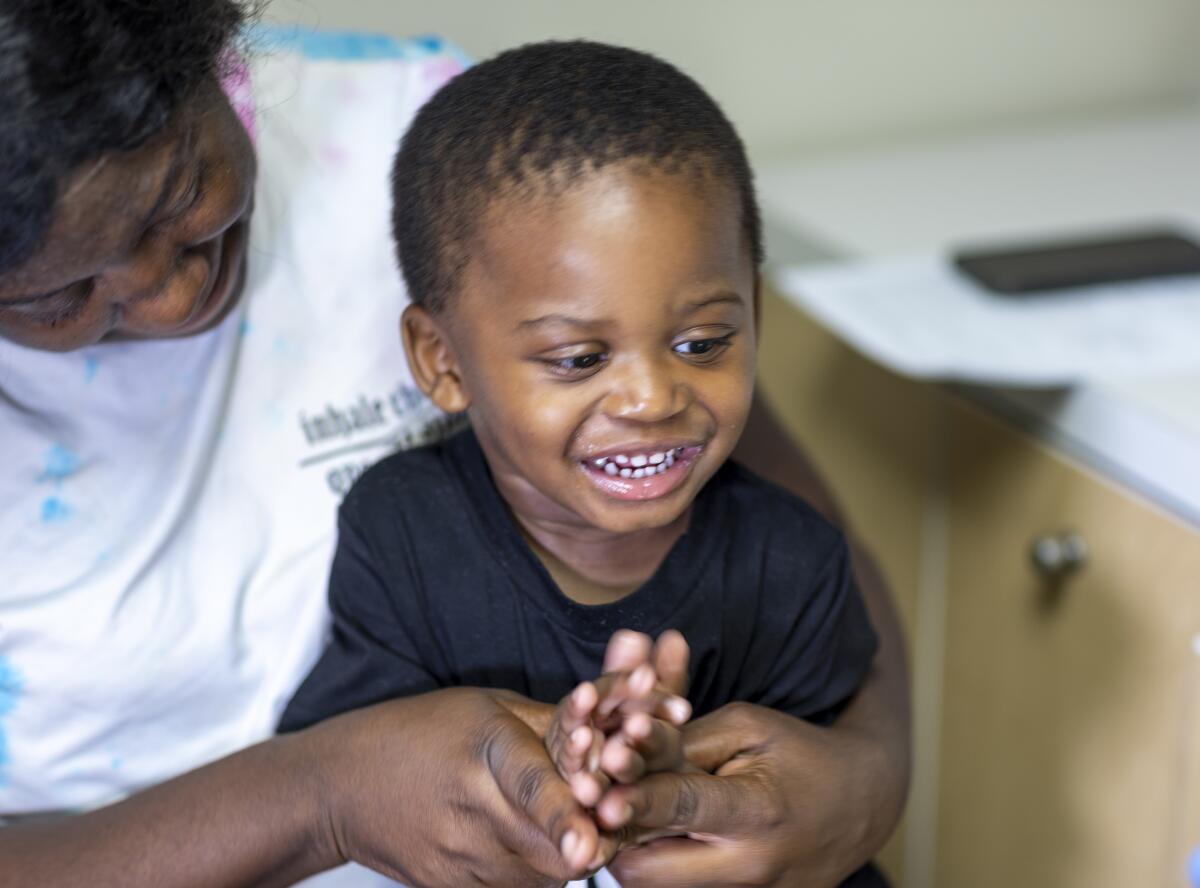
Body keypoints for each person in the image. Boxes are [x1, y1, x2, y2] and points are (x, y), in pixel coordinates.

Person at [0, 2, 910, 886]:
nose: (169, 292)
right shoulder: (398, 528)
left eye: (181, 192)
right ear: (434, 358)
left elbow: (796, 546)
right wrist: (325, 793)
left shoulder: (437, 146)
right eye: (56, 296)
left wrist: (869, 780)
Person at [278, 40, 885, 887]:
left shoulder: (791, 560)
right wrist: (560, 760)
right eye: (576, 359)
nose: (651, 396)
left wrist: (678, 779)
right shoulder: (402, 532)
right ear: (442, 362)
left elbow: (819, 806)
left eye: (703, 342)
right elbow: (352, 774)